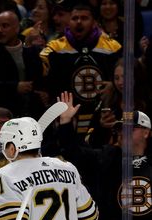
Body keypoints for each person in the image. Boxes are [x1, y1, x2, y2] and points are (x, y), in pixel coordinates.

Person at [57, 91, 152, 220]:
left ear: (147, 132)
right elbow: (74, 153)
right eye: (119, 129)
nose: (123, 133)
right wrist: (66, 123)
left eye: (130, 128)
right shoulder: (107, 158)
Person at [39, 3, 121, 139]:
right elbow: (40, 74)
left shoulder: (112, 47)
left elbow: (127, 77)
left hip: (101, 116)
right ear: (69, 21)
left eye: (84, 18)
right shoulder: (54, 48)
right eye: (75, 18)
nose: (78, 22)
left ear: (94, 22)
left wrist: (113, 85)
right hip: (66, 115)